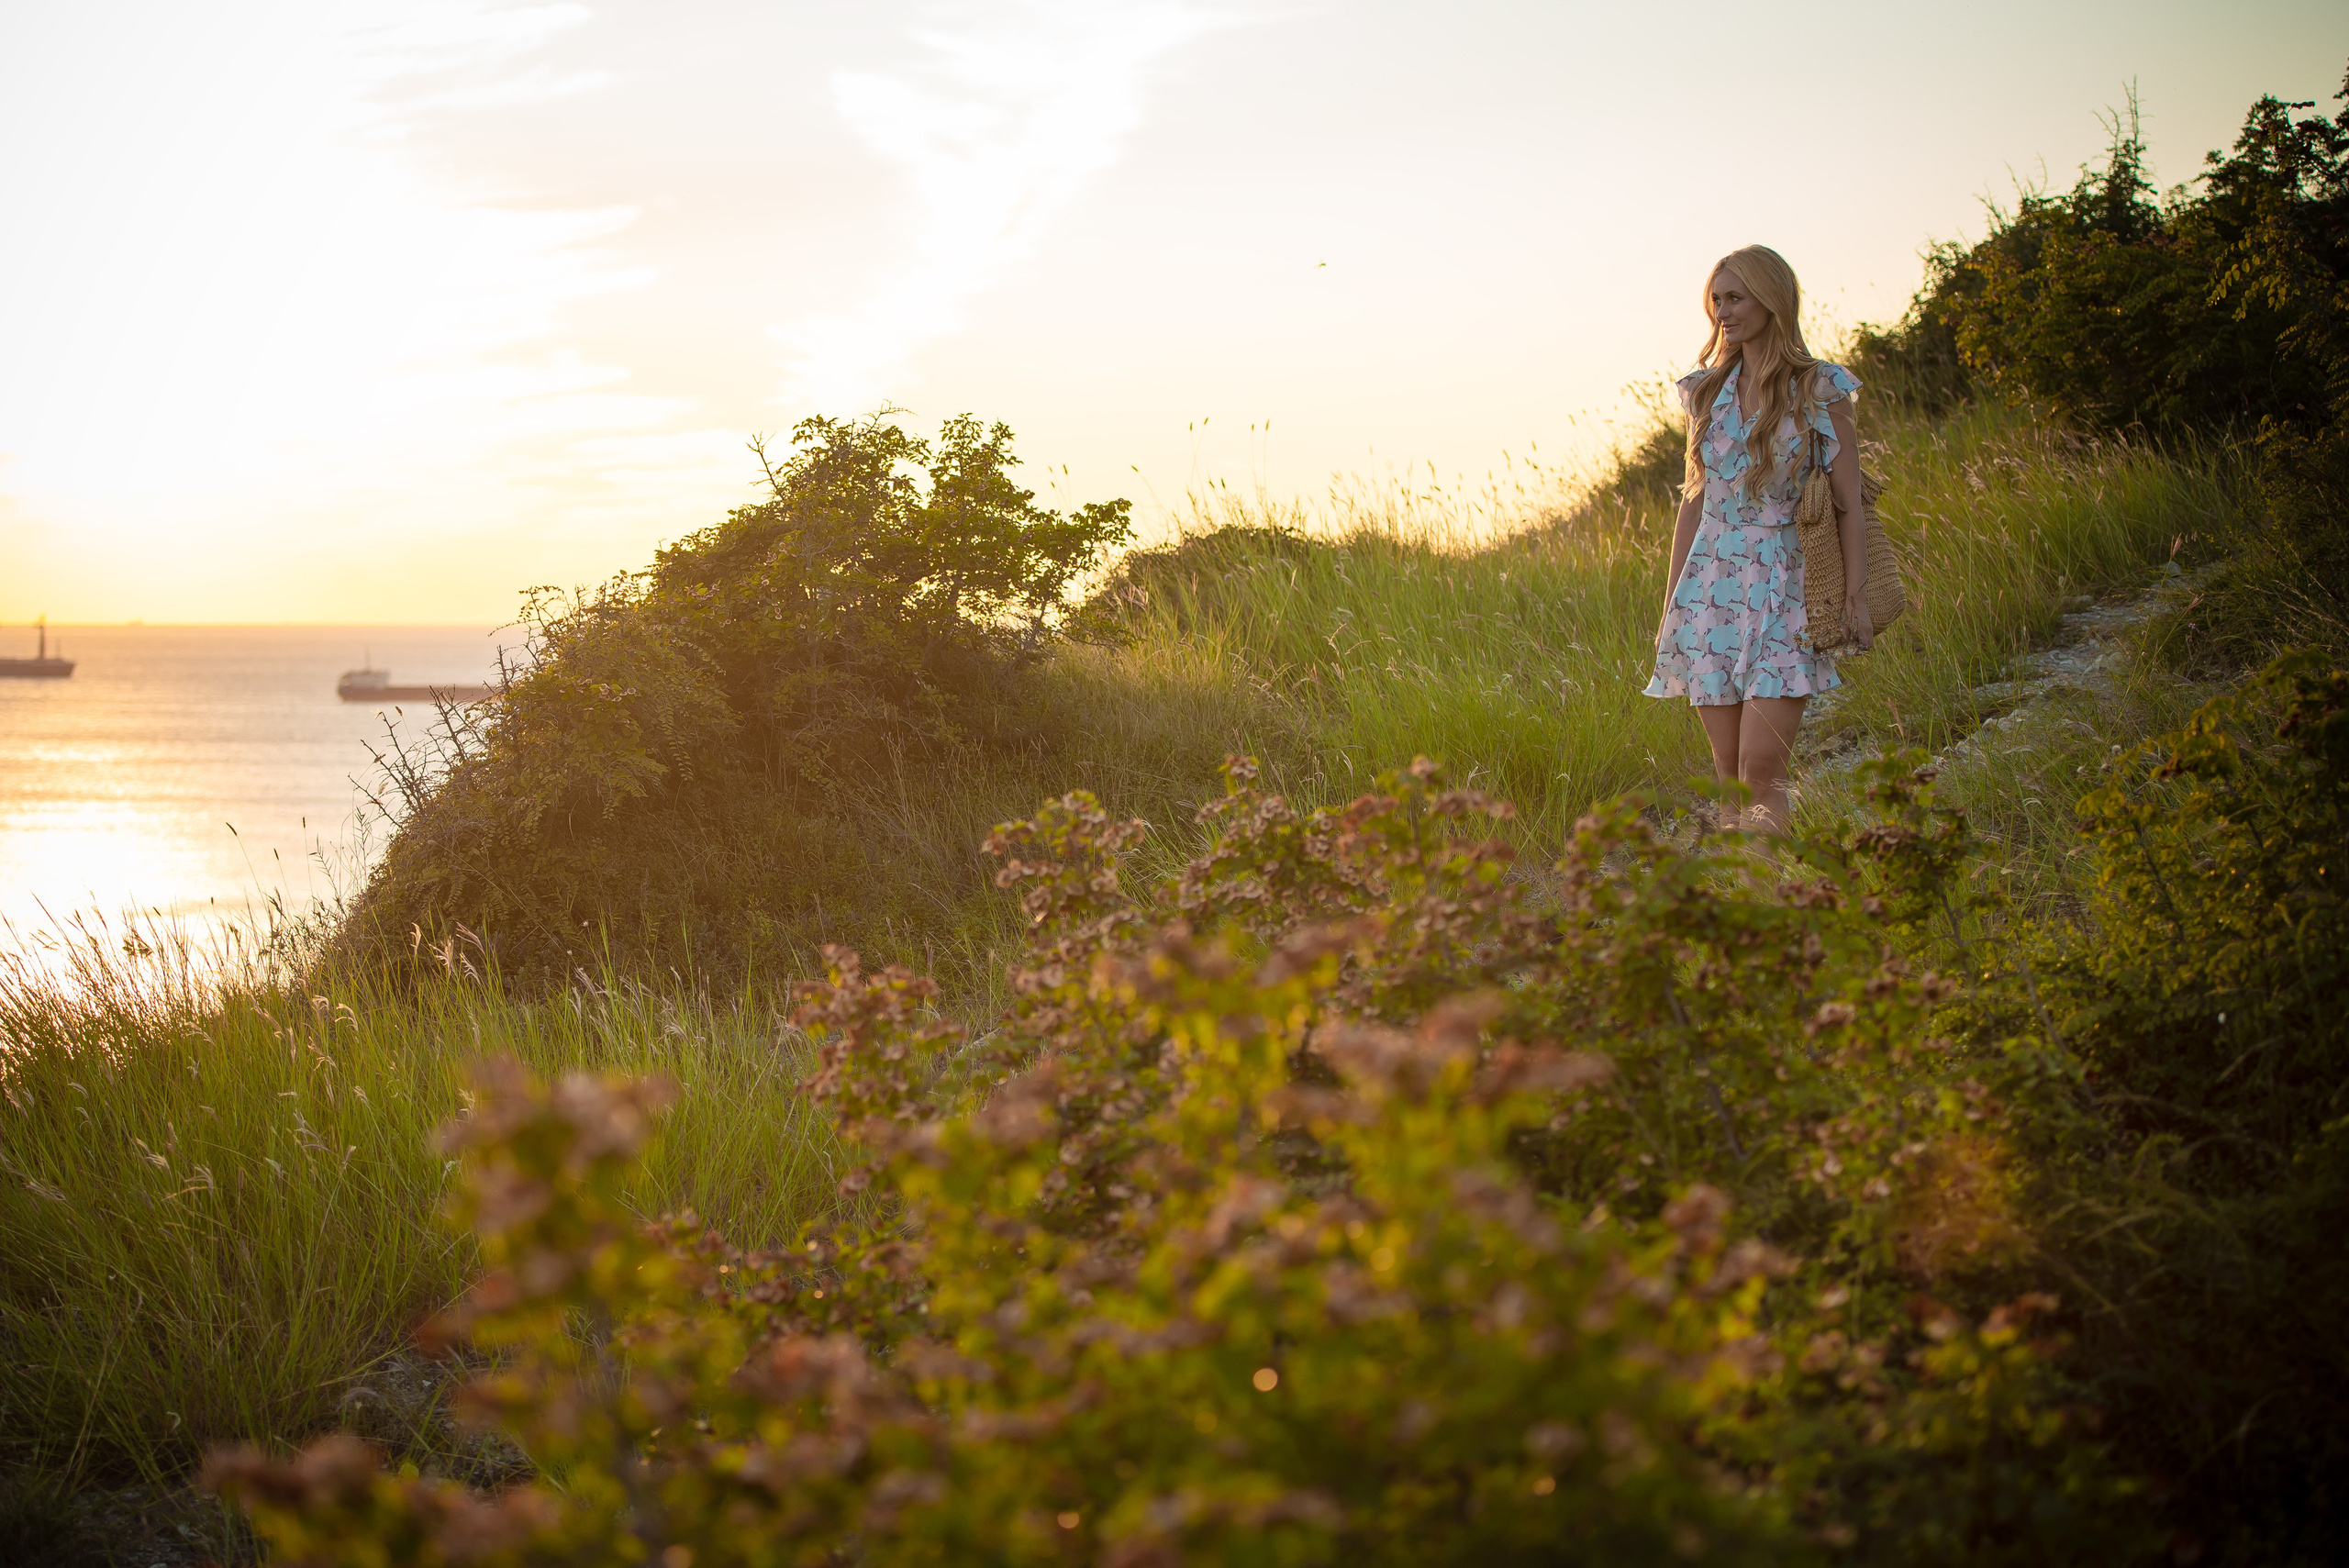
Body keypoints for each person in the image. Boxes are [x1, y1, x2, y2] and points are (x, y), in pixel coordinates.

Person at [1643, 244, 1872, 836]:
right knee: (1726, 773)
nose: (1723, 311)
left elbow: (1849, 504)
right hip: (1711, 585)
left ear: (1772, 300)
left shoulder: (1821, 389)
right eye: (1716, 299)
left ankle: (1769, 894)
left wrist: (1857, 596)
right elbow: (1693, 502)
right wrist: (1674, 604)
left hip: (1784, 586)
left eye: (1735, 297)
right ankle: (1739, 905)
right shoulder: (1704, 392)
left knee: (1762, 769)